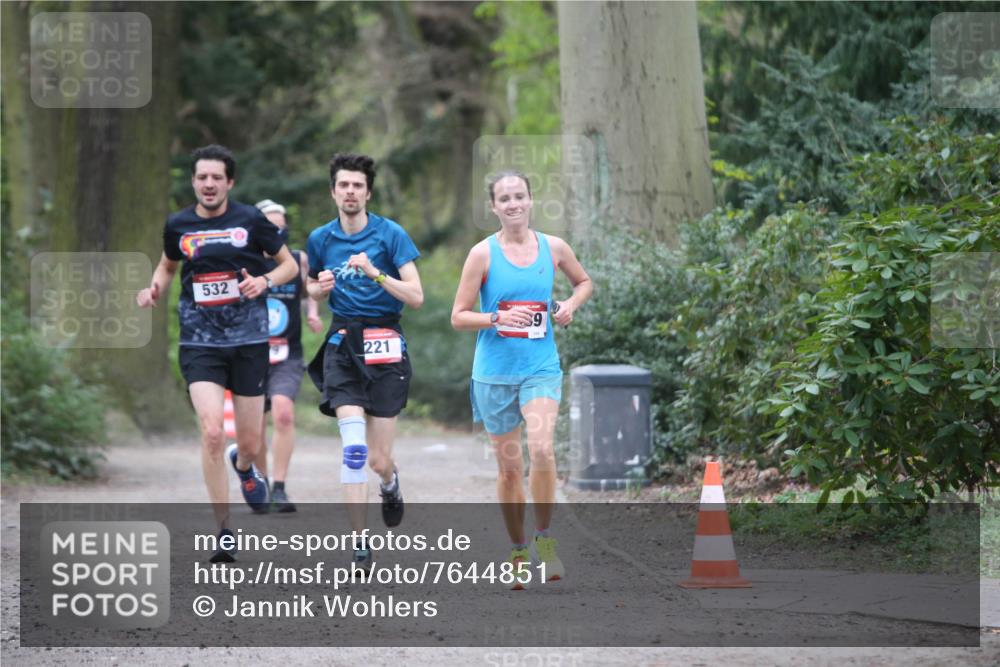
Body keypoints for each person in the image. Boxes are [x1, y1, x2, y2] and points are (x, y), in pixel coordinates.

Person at [136, 145, 298, 563]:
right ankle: (224, 530)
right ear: (194, 182)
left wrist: (263, 283)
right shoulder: (179, 225)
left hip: (248, 343)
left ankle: (244, 467)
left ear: (229, 182)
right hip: (200, 342)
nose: (208, 184)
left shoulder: (250, 220)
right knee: (211, 432)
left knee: (249, 442)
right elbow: (168, 267)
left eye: (216, 178)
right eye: (201, 177)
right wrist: (153, 288)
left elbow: (289, 267)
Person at [450, 170, 592, 589]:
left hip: (540, 367)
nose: (512, 204)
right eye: (504, 198)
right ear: (493, 207)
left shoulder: (554, 247)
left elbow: (583, 282)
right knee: (511, 469)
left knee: (543, 450)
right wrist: (495, 316)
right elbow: (458, 316)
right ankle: (517, 550)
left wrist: (569, 305)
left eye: (519, 196)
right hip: (493, 374)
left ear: (531, 201)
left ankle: (545, 542)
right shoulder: (482, 254)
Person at [305, 153, 423, 570]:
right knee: (354, 450)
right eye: (343, 185)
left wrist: (374, 273)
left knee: (378, 459)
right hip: (343, 343)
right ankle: (359, 544)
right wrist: (318, 289)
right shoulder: (320, 239)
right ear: (333, 191)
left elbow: (416, 295)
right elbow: (312, 289)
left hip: (386, 343)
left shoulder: (391, 235)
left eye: (358, 185)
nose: (350, 192)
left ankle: (390, 483)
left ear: (368, 192)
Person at [241, 199, 324, 513]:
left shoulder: (297, 259)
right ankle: (259, 483)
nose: (277, 231)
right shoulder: (245, 260)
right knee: (256, 427)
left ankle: (280, 487)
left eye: (281, 226)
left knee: (284, 412)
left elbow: (308, 292)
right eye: (270, 226)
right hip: (251, 352)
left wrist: (313, 313)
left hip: (287, 353)